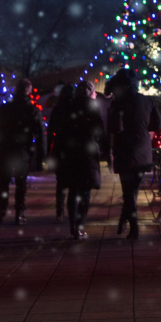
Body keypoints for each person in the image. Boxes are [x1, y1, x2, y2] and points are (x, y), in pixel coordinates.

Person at [107, 68, 161, 240]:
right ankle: (125, 220)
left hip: (125, 151)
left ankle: (133, 228)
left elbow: (115, 128)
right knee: (133, 191)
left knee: (129, 192)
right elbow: (158, 124)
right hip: (143, 151)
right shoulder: (147, 100)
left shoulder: (118, 104)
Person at [0, 78, 45, 225]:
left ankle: (1, 211)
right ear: (29, 91)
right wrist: (41, 155)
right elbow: (40, 133)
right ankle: (19, 213)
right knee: (21, 183)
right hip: (22, 151)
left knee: (4, 182)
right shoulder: (32, 110)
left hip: (6, 149)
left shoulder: (4, 109)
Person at [56, 81, 106, 240]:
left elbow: (61, 130)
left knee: (73, 190)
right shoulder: (93, 107)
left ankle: (72, 225)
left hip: (70, 152)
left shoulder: (69, 106)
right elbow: (100, 130)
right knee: (85, 191)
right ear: (90, 92)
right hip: (87, 152)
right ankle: (80, 225)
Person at [47, 83, 75, 223]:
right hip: (73, 148)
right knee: (74, 181)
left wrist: (48, 151)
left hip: (60, 146)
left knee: (61, 181)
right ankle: (72, 210)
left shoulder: (57, 109)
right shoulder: (75, 108)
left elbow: (51, 130)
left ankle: (60, 211)